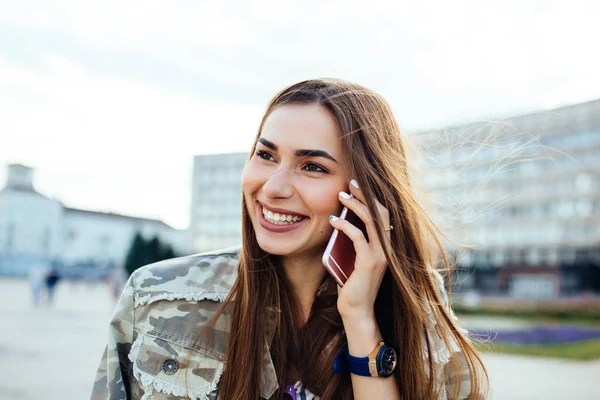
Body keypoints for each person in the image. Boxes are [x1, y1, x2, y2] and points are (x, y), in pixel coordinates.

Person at [91, 79, 489, 399]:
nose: (274, 187)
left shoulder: (418, 309)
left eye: (312, 166)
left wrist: (360, 319)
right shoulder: (158, 294)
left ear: (367, 193)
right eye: (266, 156)